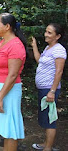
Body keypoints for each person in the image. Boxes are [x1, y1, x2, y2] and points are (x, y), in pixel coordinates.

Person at [0, 13, 27, 151]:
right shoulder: (3, 42)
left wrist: (0, 96)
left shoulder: (16, 46)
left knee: (9, 130)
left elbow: (13, 74)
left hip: (8, 92)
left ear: (7, 26)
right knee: (4, 128)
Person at [31, 23, 67, 151]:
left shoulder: (59, 50)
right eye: (46, 31)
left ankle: (48, 148)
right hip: (43, 89)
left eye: (50, 33)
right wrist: (34, 46)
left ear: (58, 36)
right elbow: (39, 60)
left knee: (50, 119)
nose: (46, 34)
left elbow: (59, 72)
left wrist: (52, 91)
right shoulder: (48, 48)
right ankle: (46, 144)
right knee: (45, 118)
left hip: (49, 90)